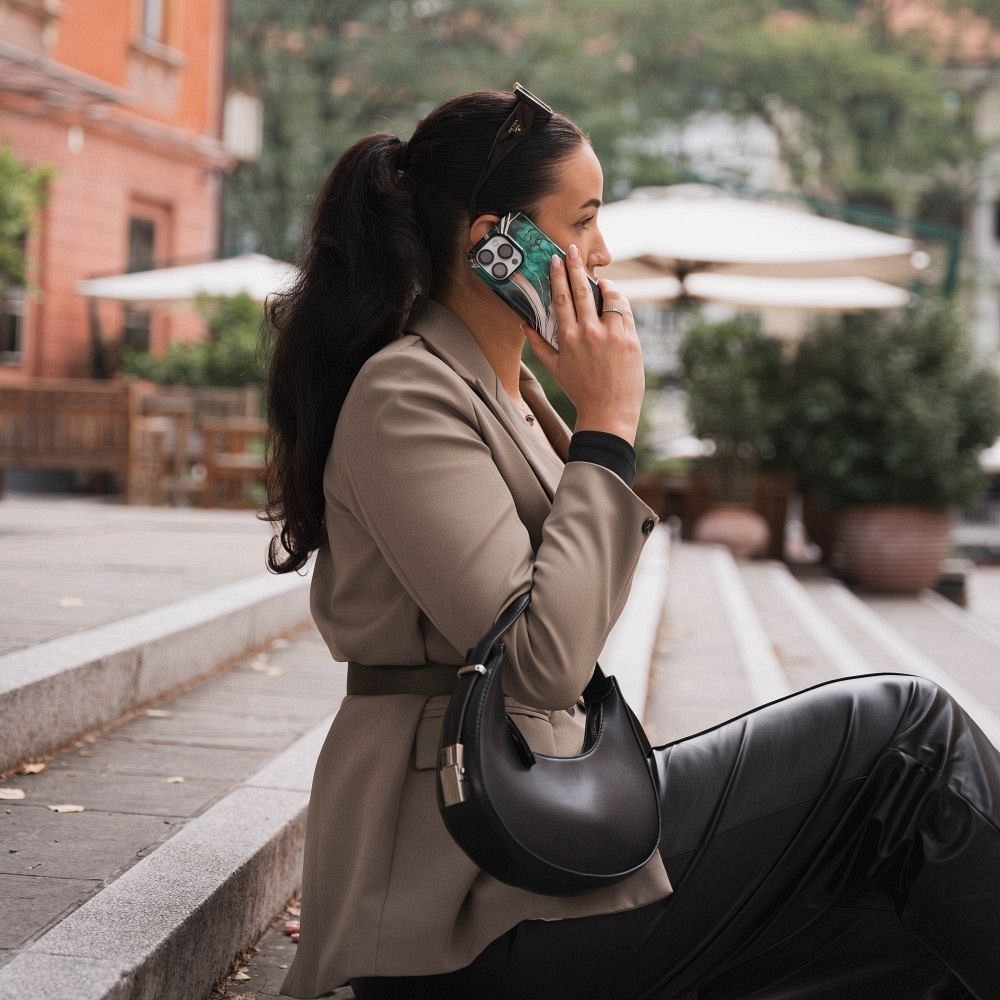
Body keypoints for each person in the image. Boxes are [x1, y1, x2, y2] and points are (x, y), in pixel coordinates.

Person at [261, 86, 1000, 1000]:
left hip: (535, 823)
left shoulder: (506, 392)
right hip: (471, 898)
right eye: (582, 221)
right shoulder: (407, 395)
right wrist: (609, 423)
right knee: (904, 732)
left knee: (903, 907)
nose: (602, 252)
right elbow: (540, 666)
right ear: (496, 242)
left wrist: (590, 425)